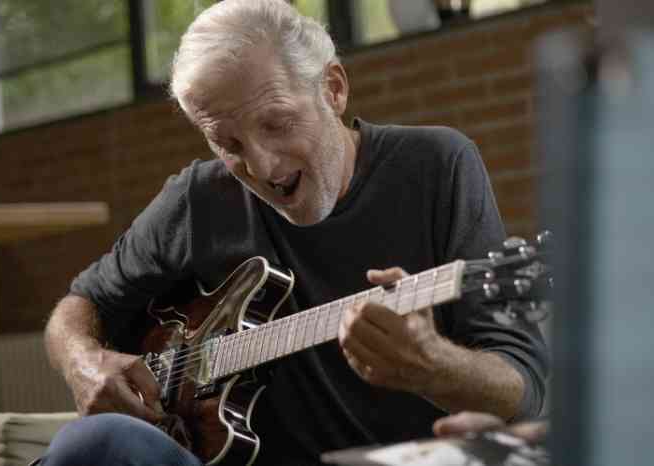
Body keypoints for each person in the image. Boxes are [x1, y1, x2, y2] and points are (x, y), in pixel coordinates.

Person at [40, 1, 548, 465]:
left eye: (276, 123)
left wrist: (433, 367)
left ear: (333, 88)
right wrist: (84, 363)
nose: (261, 166)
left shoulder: (436, 166)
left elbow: (523, 389)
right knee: (93, 442)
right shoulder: (197, 199)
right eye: (228, 144)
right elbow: (81, 303)